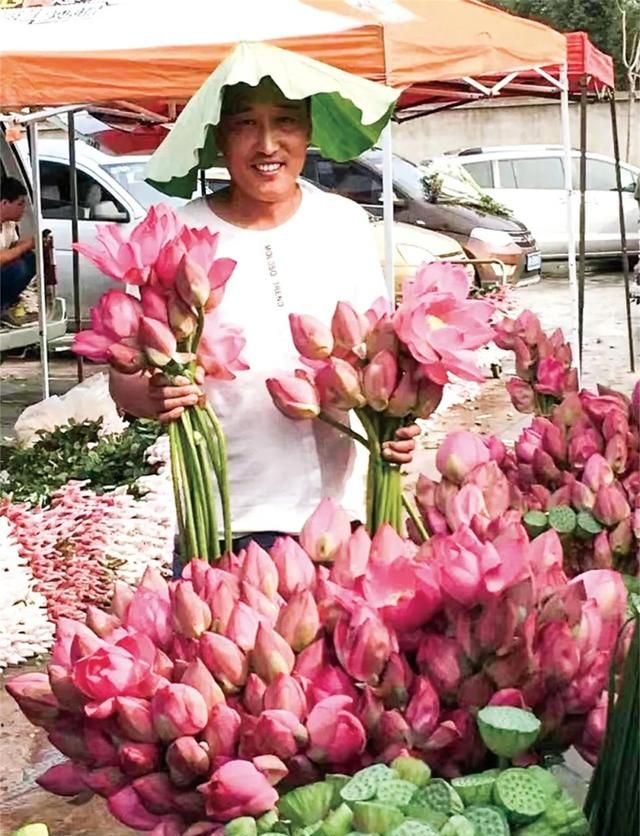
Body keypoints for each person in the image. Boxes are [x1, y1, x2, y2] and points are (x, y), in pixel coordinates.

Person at [110, 78, 419, 554]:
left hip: (348, 516)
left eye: (286, 122)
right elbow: (122, 380)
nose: (268, 144)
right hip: (225, 523)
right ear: (218, 137)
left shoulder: (344, 223)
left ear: (309, 130)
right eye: (246, 123)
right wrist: (158, 394)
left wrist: (397, 421)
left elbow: (379, 351)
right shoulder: (176, 234)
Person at [0, 176, 37, 326]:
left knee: (31, 259)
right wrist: (26, 245)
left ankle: (7, 304)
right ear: (4, 203)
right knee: (19, 269)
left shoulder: (9, 225)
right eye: (19, 204)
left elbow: (13, 246)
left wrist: (36, 243)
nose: (23, 209)